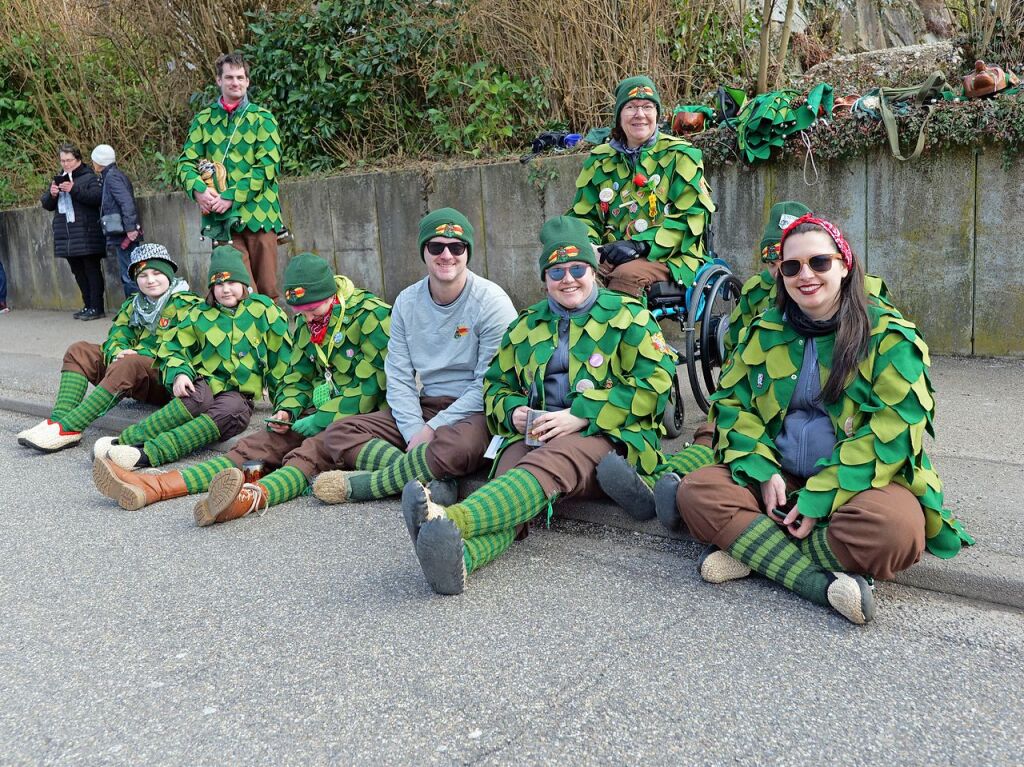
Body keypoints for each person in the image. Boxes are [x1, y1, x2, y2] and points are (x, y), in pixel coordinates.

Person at [668, 214, 973, 624]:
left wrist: (822, 495)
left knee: (897, 530)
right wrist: (761, 470)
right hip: (779, 479)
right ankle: (822, 584)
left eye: (819, 262)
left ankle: (754, 551)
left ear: (845, 264)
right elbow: (734, 406)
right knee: (697, 492)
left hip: (858, 489)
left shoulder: (891, 335)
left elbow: (893, 434)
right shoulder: (765, 329)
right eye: (791, 267)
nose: (804, 275)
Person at [401, 216, 675, 595]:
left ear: (593, 272)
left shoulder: (630, 317)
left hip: (607, 433)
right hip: (534, 434)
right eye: (556, 271)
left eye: (577, 268)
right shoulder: (526, 324)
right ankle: (461, 559)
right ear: (544, 278)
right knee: (509, 479)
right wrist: (513, 410)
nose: (568, 279)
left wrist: (579, 414)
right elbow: (495, 386)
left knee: (550, 461)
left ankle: (450, 519)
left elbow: (656, 386)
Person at [91, 252, 391, 521]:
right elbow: (296, 375)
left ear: (332, 294)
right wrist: (288, 409)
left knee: (310, 452)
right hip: (324, 406)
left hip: (363, 416)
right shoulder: (308, 320)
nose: (307, 318)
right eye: (300, 312)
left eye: (313, 309)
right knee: (260, 444)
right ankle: (156, 486)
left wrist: (321, 419)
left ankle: (246, 500)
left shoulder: (372, 316)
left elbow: (369, 389)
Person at [309, 208, 517, 510]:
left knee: (454, 448)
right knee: (339, 432)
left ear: (467, 252)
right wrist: (414, 431)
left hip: (476, 411)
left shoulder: (491, 301)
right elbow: (399, 376)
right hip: (427, 405)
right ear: (424, 251)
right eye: (436, 246)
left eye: (456, 247)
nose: (447, 255)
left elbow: (488, 384)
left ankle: (363, 486)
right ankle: (435, 480)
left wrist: (431, 431)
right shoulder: (406, 301)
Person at [91, 245, 289, 478]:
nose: (225, 290)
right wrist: (180, 373)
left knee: (231, 413)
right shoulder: (199, 313)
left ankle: (147, 454)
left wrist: (284, 406)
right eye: (218, 284)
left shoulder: (266, 311)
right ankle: (125, 440)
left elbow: (283, 365)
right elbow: (173, 348)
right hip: (204, 380)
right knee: (194, 397)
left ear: (244, 284)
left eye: (232, 283)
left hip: (238, 395)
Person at [17, 244, 200, 452]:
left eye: (157, 273)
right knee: (80, 351)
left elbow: (178, 348)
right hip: (132, 371)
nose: (150, 280)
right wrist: (117, 351)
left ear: (168, 273)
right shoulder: (134, 304)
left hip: (167, 379)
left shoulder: (187, 303)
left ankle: (70, 427)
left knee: (129, 362)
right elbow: (117, 336)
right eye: (143, 275)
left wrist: (136, 354)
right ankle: (58, 421)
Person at [569, 75, 715, 298]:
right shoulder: (599, 160)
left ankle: (635, 332)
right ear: (619, 116)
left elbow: (691, 219)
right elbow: (584, 216)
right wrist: (591, 248)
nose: (640, 114)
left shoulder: (681, 155)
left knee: (625, 276)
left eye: (647, 106)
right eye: (631, 107)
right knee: (570, 272)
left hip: (670, 256)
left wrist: (640, 246)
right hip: (610, 256)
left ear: (657, 114)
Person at [177, 51, 283, 300]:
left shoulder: (262, 119)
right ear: (218, 80)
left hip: (260, 215)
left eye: (240, 77)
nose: (235, 82)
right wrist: (199, 190)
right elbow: (185, 163)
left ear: (247, 81)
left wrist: (231, 197)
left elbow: (267, 167)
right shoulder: (203, 120)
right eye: (229, 77)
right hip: (221, 220)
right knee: (240, 290)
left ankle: (274, 337)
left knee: (267, 289)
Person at [40, 143, 106, 320]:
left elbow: (97, 198)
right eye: (62, 160)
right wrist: (52, 194)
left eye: (69, 160)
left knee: (92, 270)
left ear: (78, 159)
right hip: (67, 235)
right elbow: (46, 205)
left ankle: (97, 307)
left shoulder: (89, 177)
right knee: (78, 271)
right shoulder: (59, 178)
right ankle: (87, 305)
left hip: (87, 232)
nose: (65, 164)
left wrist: (73, 189)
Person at [92, 144, 142, 298]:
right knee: (131, 272)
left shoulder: (112, 177)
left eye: (94, 160)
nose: (93, 163)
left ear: (100, 162)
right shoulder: (112, 175)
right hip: (124, 232)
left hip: (124, 234)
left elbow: (126, 202)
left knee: (129, 274)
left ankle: (134, 311)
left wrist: (130, 228)